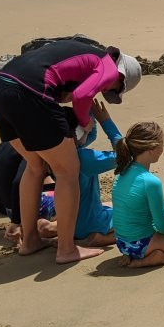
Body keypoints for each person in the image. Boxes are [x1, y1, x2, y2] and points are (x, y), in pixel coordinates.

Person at [0, 38, 141, 263]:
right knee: (68, 172)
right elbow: (81, 96)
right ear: (121, 78)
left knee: (35, 166)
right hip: (29, 93)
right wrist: (84, 121)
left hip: (1, 87)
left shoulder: (87, 53)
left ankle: (30, 241)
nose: (106, 90)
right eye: (113, 89)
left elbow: (59, 78)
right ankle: (67, 249)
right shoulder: (109, 67)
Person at [111, 122, 164, 267]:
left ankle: (133, 255)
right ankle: (159, 258)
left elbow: (137, 214)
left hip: (123, 244)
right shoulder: (151, 182)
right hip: (142, 244)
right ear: (153, 148)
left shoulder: (123, 171)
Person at [37, 101, 120, 246]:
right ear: (77, 132)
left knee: (108, 204)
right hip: (90, 224)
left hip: (68, 224)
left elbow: (87, 138)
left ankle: (53, 229)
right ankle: (99, 238)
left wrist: (87, 109)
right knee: (141, 215)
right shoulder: (84, 158)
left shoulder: (51, 153)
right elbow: (124, 155)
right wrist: (106, 121)